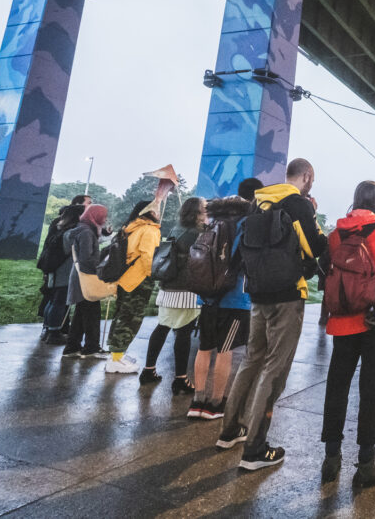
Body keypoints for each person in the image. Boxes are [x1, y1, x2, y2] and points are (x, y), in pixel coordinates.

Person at [218, 159, 327, 471]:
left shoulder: (257, 202)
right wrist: (313, 215)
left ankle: (230, 430)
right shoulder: (299, 205)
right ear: (307, 176)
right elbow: (316, 247)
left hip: (257, 294)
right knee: (274, 370)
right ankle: (255, 449)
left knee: (252, 359)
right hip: (287, 296)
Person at [319, 180, 375, 487]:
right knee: (369, 391)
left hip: (342, 324)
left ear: (355, 202)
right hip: (374, 324)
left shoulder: (336, 235)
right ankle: (366, 461)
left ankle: (331, 457)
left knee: (337, 386)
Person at [188, 179, 260, 419]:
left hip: (207, 295)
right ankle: (216, 404)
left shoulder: (215, 218)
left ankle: (197, 402)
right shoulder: (247, 221)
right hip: (233, 296)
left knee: (204, 348)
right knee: (225, 349)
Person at [140, 197, 207, 395]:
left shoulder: (176, 229)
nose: (207, 212)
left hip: (168, 287)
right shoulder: (198, 234)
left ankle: (148, 370)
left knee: (162, 327)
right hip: (187, 290)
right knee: (184, 333)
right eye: (204, 209)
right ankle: (180, 379)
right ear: (197, 213)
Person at [105, 200, 162, 374]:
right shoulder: (150, 230)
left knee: (121, 315)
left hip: (125, 279)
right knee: (131, 319)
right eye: (156, 210)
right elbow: (147, 256)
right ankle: (115, 360)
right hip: (139, 280)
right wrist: (153, 275)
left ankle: (116, 354)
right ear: (149, 213)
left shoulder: (131, 227)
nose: (159, 213)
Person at [62, 204, 110, 359]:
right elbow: (86, 258)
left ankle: (72, 347)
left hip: (79, 276)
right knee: (91, 313)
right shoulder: (87, 232)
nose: (105, 218)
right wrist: (103, 265)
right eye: (103, 215)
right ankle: (91, 347)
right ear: (95, 216)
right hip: (86, 277)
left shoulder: (82, 229)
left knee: (81, 313)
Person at [39, 196, 88, 345]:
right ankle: (54, 332)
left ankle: (48, 329)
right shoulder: (73, 232)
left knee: (53, 301)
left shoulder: (61, 229)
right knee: (59, 302)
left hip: (55, 268)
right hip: (65, 271)